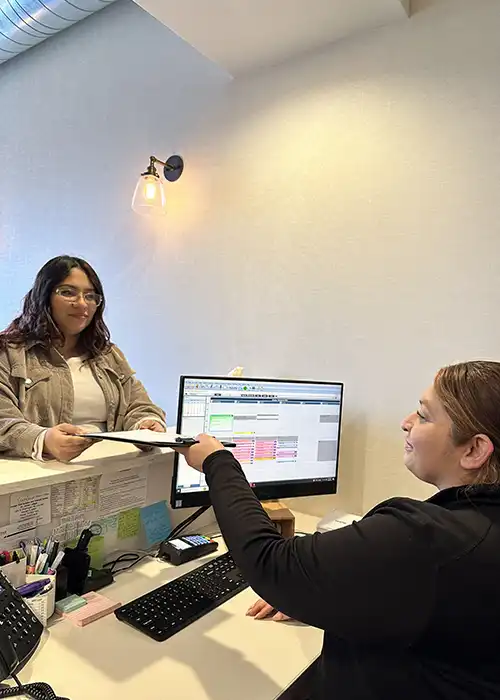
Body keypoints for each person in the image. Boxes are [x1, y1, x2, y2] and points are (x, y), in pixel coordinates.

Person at [174, 361, 500, 700]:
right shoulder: (478, 528)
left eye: (423, 415)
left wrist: (217, 462)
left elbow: (269, 560)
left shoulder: (434, 539)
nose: (406, 423)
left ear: (474, 449)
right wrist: (329, 588)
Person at [0, 255, 166, 462]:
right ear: (44, 297)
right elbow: (3, 419)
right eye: (68, 293)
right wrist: (43, 440)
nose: (81, 304)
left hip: (111, 475)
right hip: (40, 479)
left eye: (90, 296)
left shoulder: (107, 354)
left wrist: (145, 423)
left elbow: (138, 404)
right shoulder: (8, 353)